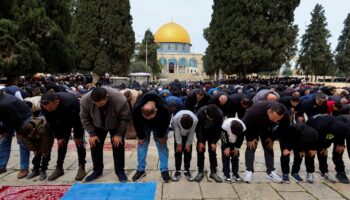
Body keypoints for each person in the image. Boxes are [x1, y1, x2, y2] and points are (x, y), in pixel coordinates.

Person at [80, 87, 131, 182]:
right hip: (97, 124)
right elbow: (84, 118)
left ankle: (120, 171)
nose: (99, 106)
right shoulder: (85, 100)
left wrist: (119, 134)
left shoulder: (120, 100)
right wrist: (92, 133)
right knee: (95, 145)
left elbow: (124, 118)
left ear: (106, 97)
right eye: (96, 104)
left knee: (118, 145)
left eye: (101, 104)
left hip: (116, 124)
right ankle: (97, 170)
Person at [40, 92, 87, 181]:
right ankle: (59, 168)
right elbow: (50, 121)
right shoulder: (44, 105)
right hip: (60, 122)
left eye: (50, 108)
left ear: (56, 102)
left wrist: (77, 135)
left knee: (79, 142)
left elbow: (78, 120)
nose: (49, 110)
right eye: (47, 109)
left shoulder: (71, 102)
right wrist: (59, 136)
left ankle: (82, 166)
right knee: (61, 143)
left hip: (75, 118)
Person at [243, 101, 290, 183]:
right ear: (269, 111)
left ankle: (270, 171)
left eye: (278, 119)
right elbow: (244, 124)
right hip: (253, 126)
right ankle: (249, 170)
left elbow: (283, 129)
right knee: (251, 146)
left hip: (267, 128)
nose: (275, 121)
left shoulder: (285, 114)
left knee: (269, 145)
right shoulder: (255, 110)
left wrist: (272, 138)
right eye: (274, 118)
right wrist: (250, 137)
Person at [132, 91, 171, 182]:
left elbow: (165, 123)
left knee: (162, 145)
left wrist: (161, 136)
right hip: (143, 125)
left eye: (151, 117)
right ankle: (141, 170)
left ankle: (164, 170)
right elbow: (136, 123)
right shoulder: (137, 108)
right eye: (147, 117)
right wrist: (140, 136)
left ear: (156, 110)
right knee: (142, 145)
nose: (149, 119)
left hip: (159, 124)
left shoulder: (164, 108)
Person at [306, 114, 350, 183]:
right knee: (311, 152)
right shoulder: (320, 127)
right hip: (312, 126)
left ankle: (324, 172)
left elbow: (332, 137)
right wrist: (314, 148)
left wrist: (325, 147)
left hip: (328, 127)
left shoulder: (343, 127)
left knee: (323, 152)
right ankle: (310, 172)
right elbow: (317, 138)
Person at [0, 92, 31, 179]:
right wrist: (3, 131)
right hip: (7, 118)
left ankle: (24, 168)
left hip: (23, 117)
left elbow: (16, 120)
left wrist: (19, 132)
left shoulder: (6, 103)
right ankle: (1, 166)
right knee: (4, 140)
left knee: (22, 142)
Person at [192, 104, 224, 183]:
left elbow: (218, 130)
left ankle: (213, 172)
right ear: (206, 113)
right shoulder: (200, 112)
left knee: (212, 151)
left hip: (213, 133)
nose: (211, 119)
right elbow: (198, 128)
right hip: (202, 131)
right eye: (210, 118)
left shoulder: (219, 114)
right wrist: (200, 141)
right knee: (200, 150)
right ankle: (200, 171)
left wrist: (214, 142)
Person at [171, 110, 198, 181]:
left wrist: (188, 144)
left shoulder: (195, 120)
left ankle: (187, 170)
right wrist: (179, 144)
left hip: (189, 134)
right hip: (178, 133)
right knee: (178, 152)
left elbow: (192, 132)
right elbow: (176, 131)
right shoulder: (175, 119)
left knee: (188, 151)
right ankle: (177, 170)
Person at [220, 117, 246, 182]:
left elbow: (241, 138)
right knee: (226, 157)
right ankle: (226, 174)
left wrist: (237, 148)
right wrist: (226, 147)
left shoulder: (243, 127)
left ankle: (235, 173)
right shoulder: (225, 126)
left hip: (236, 142)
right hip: (226, 141)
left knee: (235, 156)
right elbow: (223, 137)